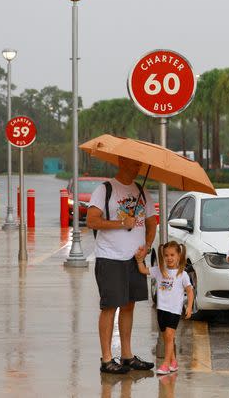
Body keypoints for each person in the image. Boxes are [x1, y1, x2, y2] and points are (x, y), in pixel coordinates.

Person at [86, 156, 157, 374]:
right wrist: (120, 223)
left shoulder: (142, 191)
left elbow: (151, 223)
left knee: (129, 305)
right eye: (134, 163)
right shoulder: (105, 189)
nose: (137, 167)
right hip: (110, 258)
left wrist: (146, 246)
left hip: (134, 259)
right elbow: (92, 220)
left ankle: (127, 356)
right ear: (121, 163)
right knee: (110, 307)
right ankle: (107, 359)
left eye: (139, 164)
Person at [135, 241, 193, 375]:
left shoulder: (182, 274)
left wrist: (189, 307)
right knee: (167, 338)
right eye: (166, 255)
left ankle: (166, 364)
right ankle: (173, 362)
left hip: (174, 310)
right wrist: (139, 260)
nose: (169, 258)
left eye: (172, 255)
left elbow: (190, 291)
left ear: (179, 255)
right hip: (162, 310)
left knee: (169, 335)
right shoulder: (160, 271)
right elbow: (143, 270)